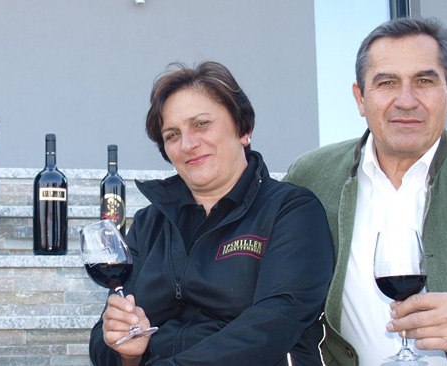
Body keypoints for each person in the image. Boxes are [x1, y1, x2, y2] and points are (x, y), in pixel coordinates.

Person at [88, 61, 335, 365]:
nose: (188, 144)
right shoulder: (149, 223)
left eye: (201, 124)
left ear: (244, 130)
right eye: (172, 135)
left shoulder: (290, 210)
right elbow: (103, 342)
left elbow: (274, 325)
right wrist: (126, 351)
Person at [283, 17, 447, 365]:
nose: (406, 100)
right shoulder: (311, 177)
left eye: (424, 81)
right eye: (387, 83)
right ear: (360, 98)